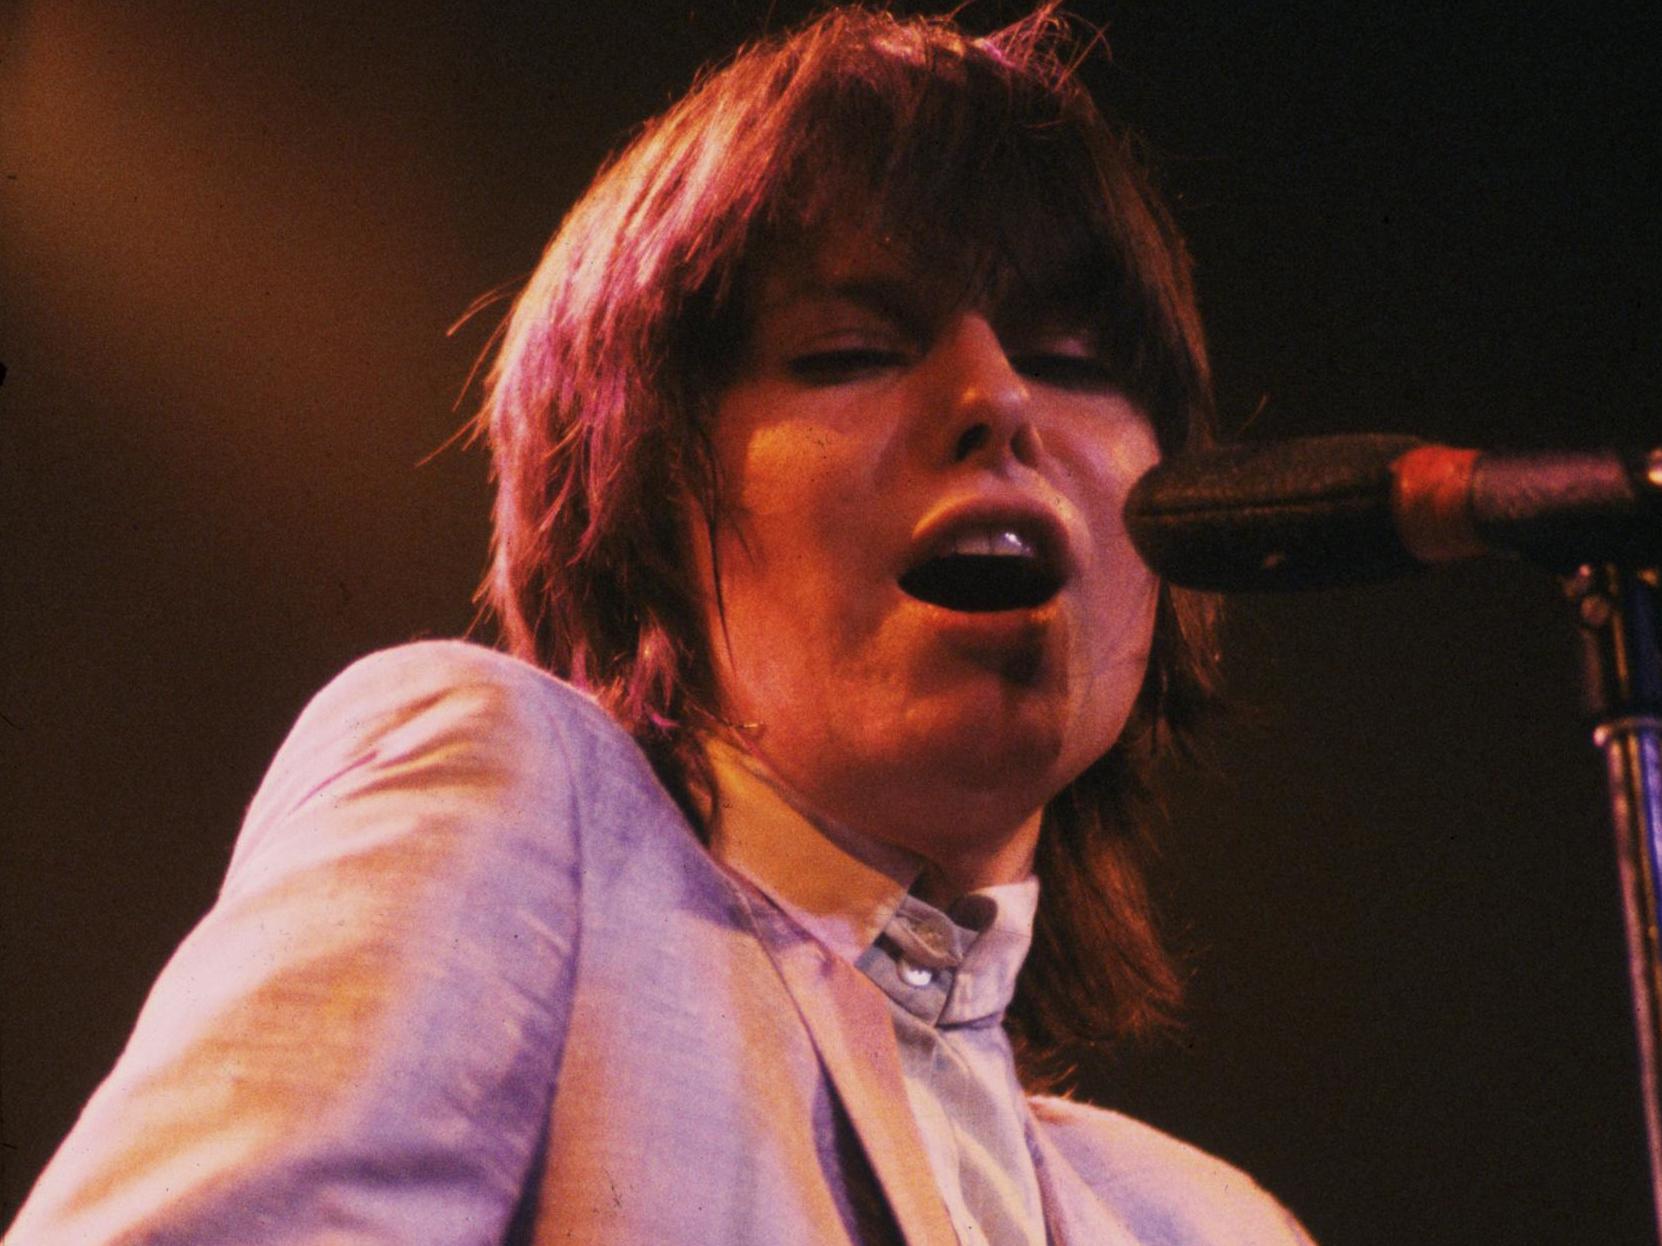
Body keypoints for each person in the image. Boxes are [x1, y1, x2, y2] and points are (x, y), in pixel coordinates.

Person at [8, 6, 1314, 1243]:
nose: (995, 399)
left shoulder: (1202, 1219)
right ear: (640, 495)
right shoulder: (517, 798)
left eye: (1074, 363)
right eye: (849, 349)